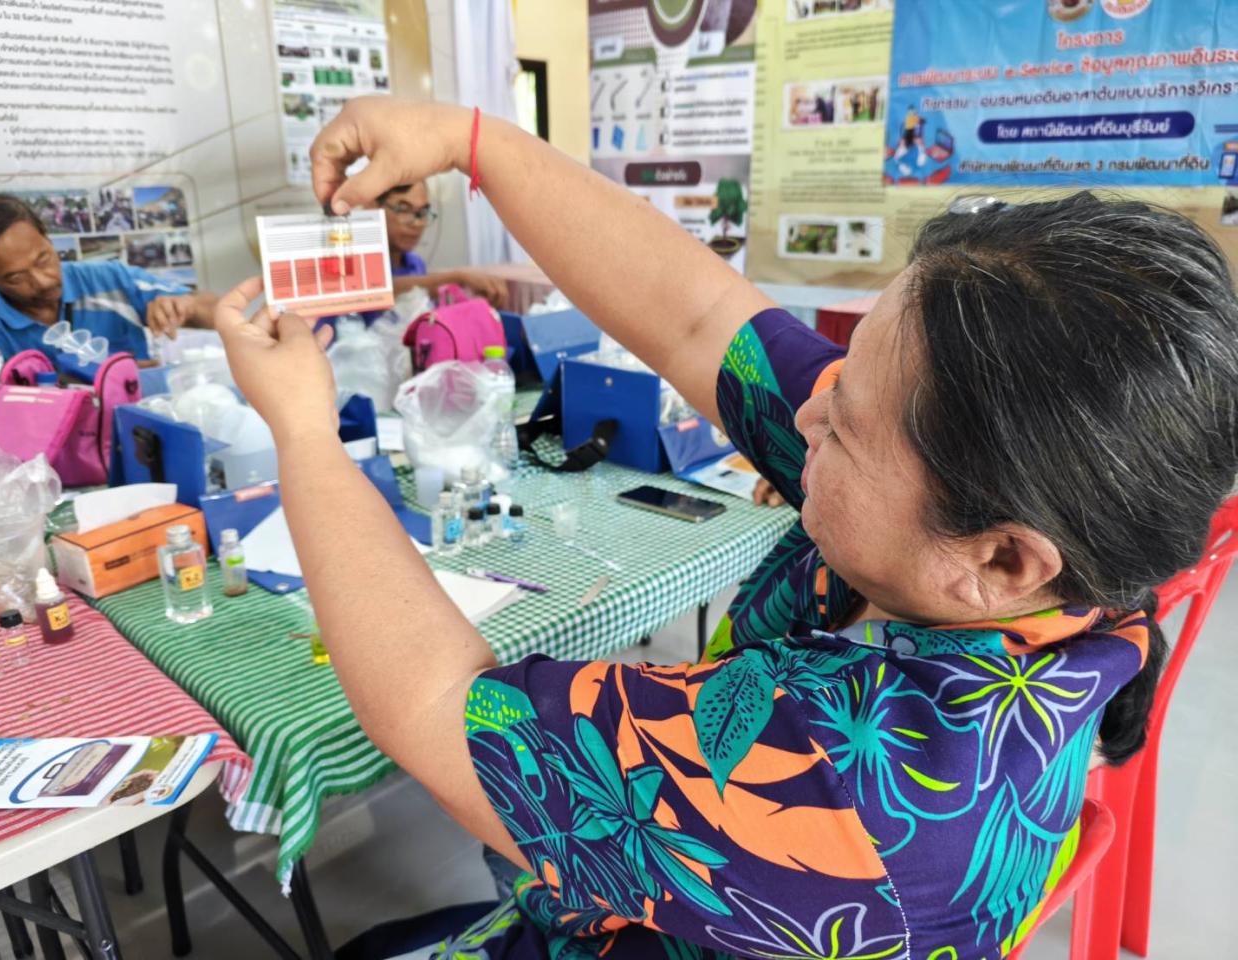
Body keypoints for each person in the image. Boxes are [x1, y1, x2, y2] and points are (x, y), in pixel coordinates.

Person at [214, 98, 1238, 959]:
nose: (802, 417)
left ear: (1001, 557)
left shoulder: (849, 788)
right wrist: (471, 140)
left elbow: (435, 702)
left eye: (840, 423)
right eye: (833, 379)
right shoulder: (1038, 529)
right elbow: (705, 322)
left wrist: (303, 430)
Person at [0, 192, 217, 362]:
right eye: (15, 277)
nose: (43, 281)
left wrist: (187, 306)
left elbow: (217, 311)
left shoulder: (111, 280)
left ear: (47, 237)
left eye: (43, 259)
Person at [377, 181, 509, 309]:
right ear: (375, 207)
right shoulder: (365, 263)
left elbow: (424, 291)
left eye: (422, 212)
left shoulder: (415, 263)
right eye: (404, 210)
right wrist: (459, 277)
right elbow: (381, 292)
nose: (417, 223)